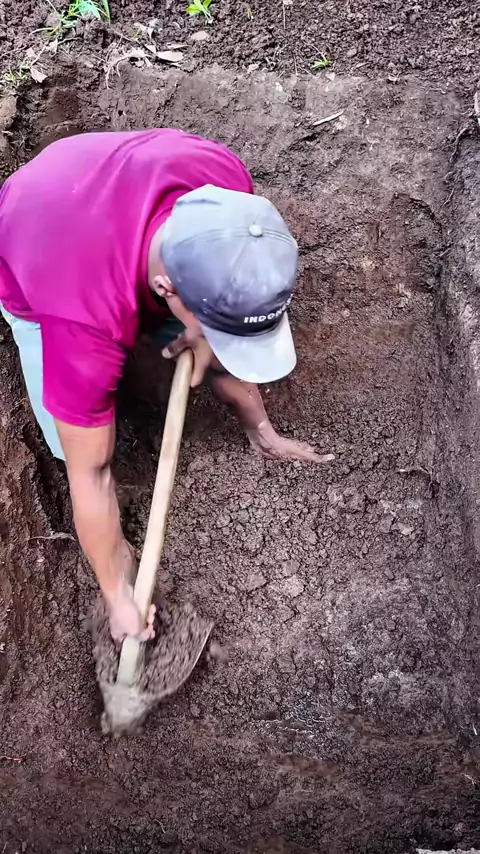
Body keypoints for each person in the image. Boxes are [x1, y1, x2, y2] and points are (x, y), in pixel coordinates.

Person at [0, 128, 333, 642]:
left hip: (108, 198)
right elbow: (92, 476)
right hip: (33, 229)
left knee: (200, 333)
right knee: (73, 448)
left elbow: (225, 317)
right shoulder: (81, 322)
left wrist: (261, 429)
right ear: (166, 289)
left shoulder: (231, 198)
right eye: (211, 323)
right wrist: (117, 593)